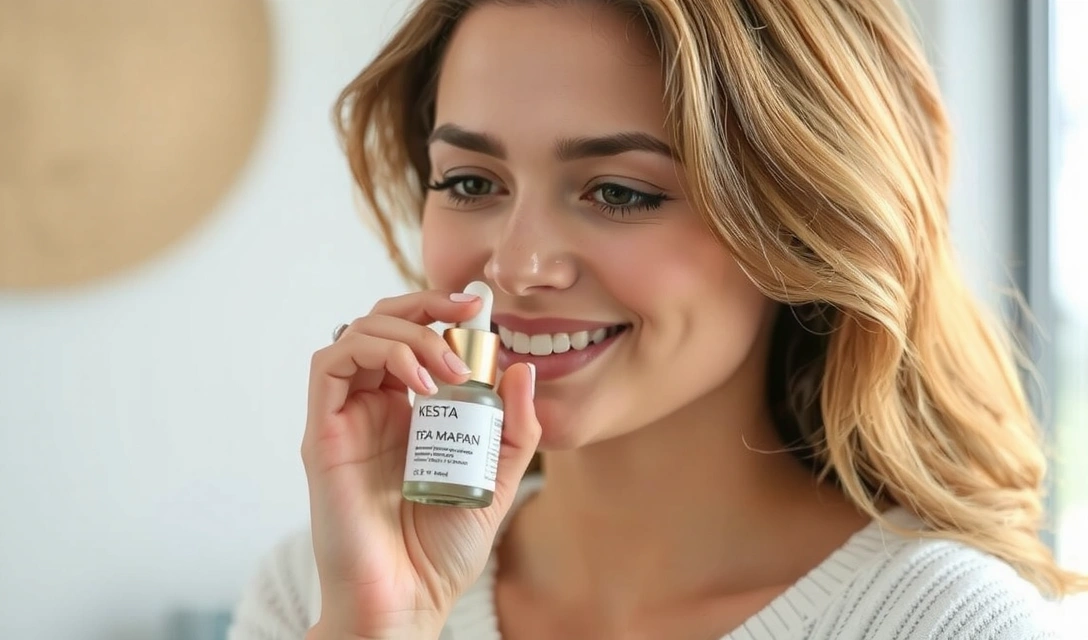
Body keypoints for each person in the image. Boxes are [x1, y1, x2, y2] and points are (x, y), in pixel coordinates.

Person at [227, 0, 1087, 638]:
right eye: (471, 182)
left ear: (797, 223)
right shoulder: (317, 592)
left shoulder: (947, 624)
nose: (517, 266)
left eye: (619, 193)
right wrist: (382, 623)